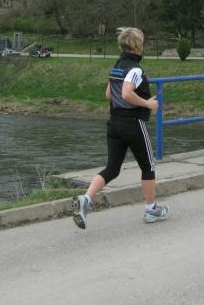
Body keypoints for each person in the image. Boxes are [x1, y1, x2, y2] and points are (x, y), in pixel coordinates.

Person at [72, 27, 169, 229]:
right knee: (148, 166)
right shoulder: (135, 70)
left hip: (114, 123)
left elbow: (109, 94)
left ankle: (86, 199)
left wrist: (129, 102)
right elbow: (126, 93)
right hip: (133, 124)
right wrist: (148, 104)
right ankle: (151, 209)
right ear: (137, 46)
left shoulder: (116, 67)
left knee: (112, 168)